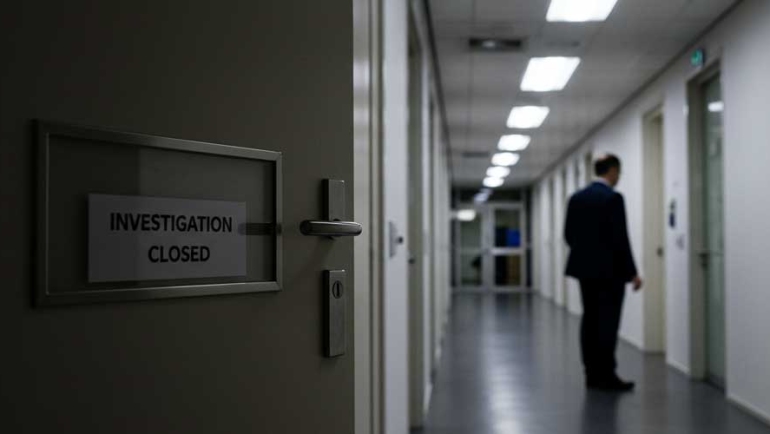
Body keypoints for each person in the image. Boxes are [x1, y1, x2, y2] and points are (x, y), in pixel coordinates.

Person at [564, 154, 643, 392]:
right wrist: (632, 272)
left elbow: (568, 234)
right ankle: (607, 375)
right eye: (618, 172)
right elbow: (621, 239)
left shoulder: (576, 198)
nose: (619, 177)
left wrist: (586, 255)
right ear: (612, 171)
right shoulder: (613, 198)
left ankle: (591, 374)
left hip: (584, 271)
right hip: (610, 274)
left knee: (590, 320)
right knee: (608, 323)